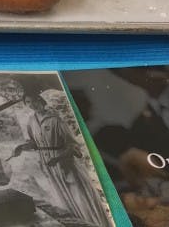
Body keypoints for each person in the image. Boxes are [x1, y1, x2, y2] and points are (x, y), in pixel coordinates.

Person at [13, 92, 110, 226]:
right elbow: (34, 143)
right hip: (49, 165)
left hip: (66, 164)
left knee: (79, 198)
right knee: (63, 199)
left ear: (41, 100)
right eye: (28, 102)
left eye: (34, 100)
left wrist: (58, 158)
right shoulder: (31, 121)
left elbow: (73, 146)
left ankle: (95, 223)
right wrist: (21, 147)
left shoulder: (55, 120)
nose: (32, 104)